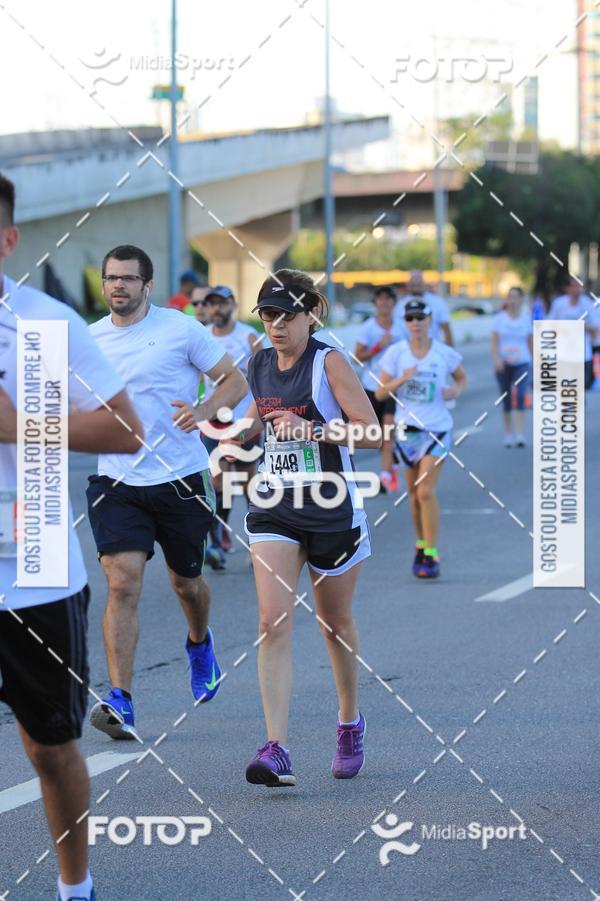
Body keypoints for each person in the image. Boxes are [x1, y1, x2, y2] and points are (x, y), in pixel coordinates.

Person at [0, 174, 143, 901]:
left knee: (48, 747)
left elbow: (125, 428)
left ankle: (74, 887)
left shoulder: (45, 325)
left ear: (8, 238)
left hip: (32, 565)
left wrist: (18, 425)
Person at [86, 245, 247, 740]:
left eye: (128, 279)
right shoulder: (89, 340)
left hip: (180, 477)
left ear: (147, 285)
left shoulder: (180, 329)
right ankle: (121, 701)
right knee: (122, 582)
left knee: (186, 585)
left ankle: (199, 643)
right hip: (116, 481)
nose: (118, 286)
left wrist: (202, 412)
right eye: (112, 278)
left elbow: (234, 381)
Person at [230, 268, 381, 787]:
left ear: (309, 314)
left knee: (332, 624)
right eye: (267, 315)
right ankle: (276, 747)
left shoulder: (329, 361)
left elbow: (371, 432)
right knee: (271, 622)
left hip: (331, 505)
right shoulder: (258, 361)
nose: (275, 325)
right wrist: (229, 434)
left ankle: (348, 721)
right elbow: (257, 416)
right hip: (275, 505)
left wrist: (312, 428)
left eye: (285, 315)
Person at [376, 299, 466, 579]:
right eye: (410, 318)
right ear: (405, 323)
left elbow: (462, 378)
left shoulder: (443, 353)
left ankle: (431, 551)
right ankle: (421, 544)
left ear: (430, 321)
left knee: (426, 491)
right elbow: (379, 394)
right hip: (406, 431)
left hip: (437, 429)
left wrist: (456, 390)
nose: (415, 323)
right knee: (414, 496)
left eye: (420, 317)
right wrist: (400, 380)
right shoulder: (396, 354)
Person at [198, 285, 262, 569]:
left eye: (221, 304)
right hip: (213, 420)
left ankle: (258, 540)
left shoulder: (248, 336)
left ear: (232, 306)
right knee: (217, 482)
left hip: (244, 420)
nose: (216, 310)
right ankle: (215, 540)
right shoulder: (201, 338)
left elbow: (266, 376)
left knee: (249, 483)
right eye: (211, 304)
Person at [353, 286, 403, 492]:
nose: (384, 303)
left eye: (388, 299)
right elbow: (357, 357)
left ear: (393, 303)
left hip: (393, 386)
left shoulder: (401, 329)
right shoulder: (368, 328)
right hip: (371, 386)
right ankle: (390, 456)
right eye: (380, 300)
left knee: (388, 430)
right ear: (375, 304)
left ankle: (384, 476)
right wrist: (378, 347)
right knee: (373, 434)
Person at [491, 286, 533, 448]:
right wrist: (496, 359)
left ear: (521, 300)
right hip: (504, 363)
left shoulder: (525, 319)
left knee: (521, 395)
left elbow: (530, 342)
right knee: (506, 398)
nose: (513, 300)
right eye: (510, 297)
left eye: (516, 297)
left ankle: (520, 434)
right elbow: (494, 342)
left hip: (522, 362)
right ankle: (508, 434)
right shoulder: (499, 319)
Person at [548, 275, 599, 390]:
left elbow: (596, 327)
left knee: (580, 388)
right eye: (575, 285)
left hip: (583, 354)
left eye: (580, 285)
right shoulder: (559, 304)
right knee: (564, 386)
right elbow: (549, 325)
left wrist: (580, 326)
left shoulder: (587, 304)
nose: (578, 289)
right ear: (567, 288)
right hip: (563, 353)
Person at [393, 270, 454, 346]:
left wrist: (450, 348)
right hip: (407, 350)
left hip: (432, 349)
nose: (415, 322)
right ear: (408, 285)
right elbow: (396, 329)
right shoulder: (400, 305)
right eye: (413, 284)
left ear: (424, 283)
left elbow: (446, 328)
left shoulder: (438, 302)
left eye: (418, 283)